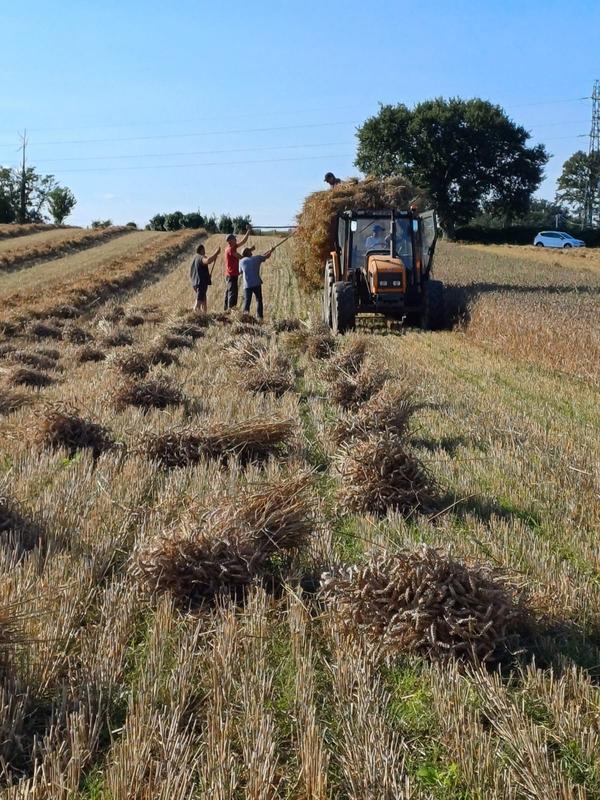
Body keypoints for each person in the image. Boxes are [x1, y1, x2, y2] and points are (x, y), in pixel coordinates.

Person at [239, 246, 274, 320]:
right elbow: (266, 256)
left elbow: (240, 272)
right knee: (259, 300)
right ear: (248, 253)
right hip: (256, 283)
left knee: (247, 302)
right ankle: (259, 317)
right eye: (249, 251)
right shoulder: (257, 258)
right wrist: (271, 250)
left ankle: (245, 318)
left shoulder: (241, 261)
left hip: (247, 285)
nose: (251, 252)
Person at [224, 228, 253, 310]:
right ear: (231, 240)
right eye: (234, 239)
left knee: (229, 292)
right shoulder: (230, 250)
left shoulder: (232, 247)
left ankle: (226, 309)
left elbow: (243, 241)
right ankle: (230, 310)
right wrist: (247, 257)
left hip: (229, 275)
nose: (236, 240)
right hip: (231, 275)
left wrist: (248, 231)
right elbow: (240, 257)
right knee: (232, 293)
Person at [190, 243, 220, 312]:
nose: (204, 252)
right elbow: (208, 261)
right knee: (198, 305)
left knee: (204, 303)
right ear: (202, 250)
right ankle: (196, 317)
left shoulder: (194, 259)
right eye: (204, 250)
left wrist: (206, 276)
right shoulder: (200, 257)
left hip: (195, 284)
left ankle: (204, 317)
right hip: (201, 284)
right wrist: (216, 253)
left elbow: (193, 273)